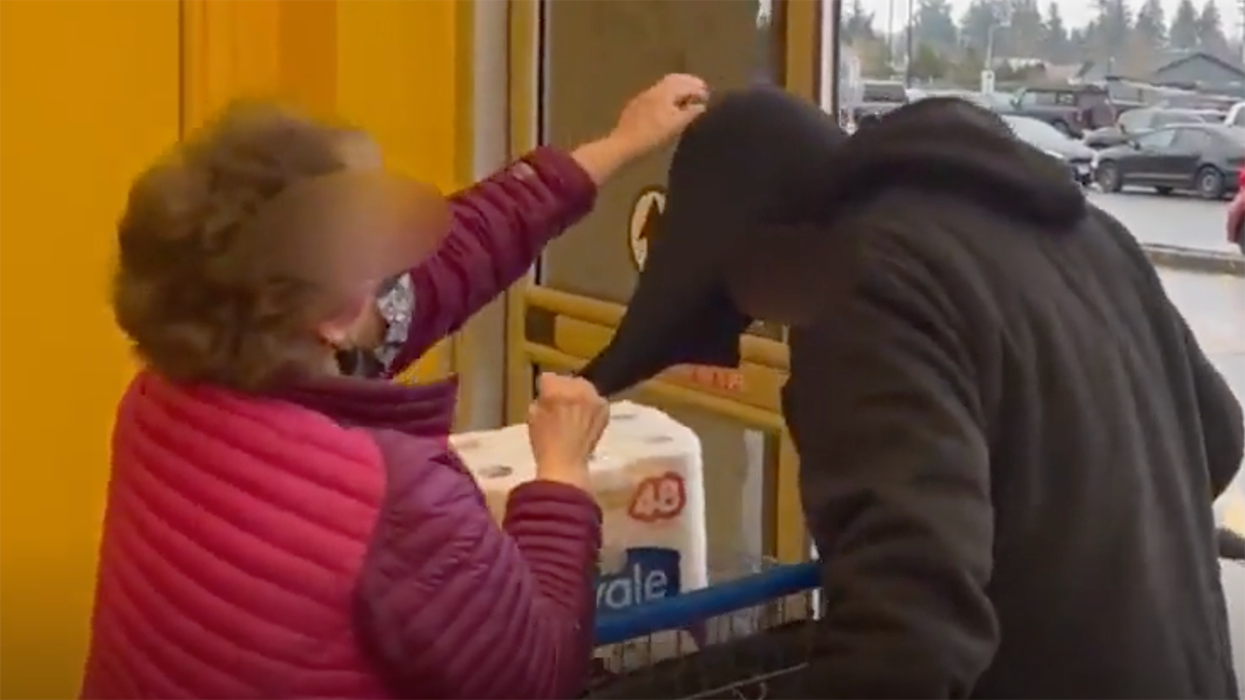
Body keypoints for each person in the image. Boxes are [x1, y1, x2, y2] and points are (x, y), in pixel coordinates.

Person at [580, 88, 1245, 699]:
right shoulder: (1088, 233)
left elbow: (908, 638)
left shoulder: (863, 285)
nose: (767, 324)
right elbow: (1217, 438)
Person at [79, 74, 708, 700]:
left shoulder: (160, 398)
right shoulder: (393, 502)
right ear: (332, 317)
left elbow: (455, 257)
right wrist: (562, 475)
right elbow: (535, 674)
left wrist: (621, 143)